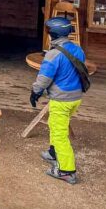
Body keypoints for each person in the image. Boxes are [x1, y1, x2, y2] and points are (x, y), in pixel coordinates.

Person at [32, 17, 87, 185]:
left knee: (59, 134)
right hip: (75, 97)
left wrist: (35, 92)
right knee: (55, 125)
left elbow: (44, 78)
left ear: (53, 34)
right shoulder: (78, 50)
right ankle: (53, 152)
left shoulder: (53, 54)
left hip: (61, 100)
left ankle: (67, 171)